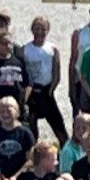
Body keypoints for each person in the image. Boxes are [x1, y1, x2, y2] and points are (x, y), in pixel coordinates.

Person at [23, 16, 71, 145]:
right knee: (31, 125)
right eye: (37, 28)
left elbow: (56, 72)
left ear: (48, 30)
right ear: (32, 30)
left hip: (46, 91)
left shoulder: (52, 49)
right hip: (32, 92)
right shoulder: (25, 49)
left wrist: (52, 88)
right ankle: (33, 150)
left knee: (58, 125)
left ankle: (66, 150)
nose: (40, 32)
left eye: (43, 29)